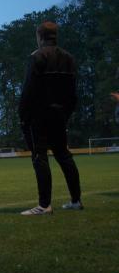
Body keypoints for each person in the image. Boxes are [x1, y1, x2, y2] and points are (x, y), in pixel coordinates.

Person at [19, 21, 82, 215]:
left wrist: (23, 117)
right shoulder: (69, 59)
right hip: (59, 115)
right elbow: (72, 94)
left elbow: (28, 91)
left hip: (39, 116)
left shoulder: (36, 57)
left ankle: (44, 205)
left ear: (39, 36)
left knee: (40, 157)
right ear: (55, 36)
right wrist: (65, 114)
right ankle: (76, 200)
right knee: (64, 156)